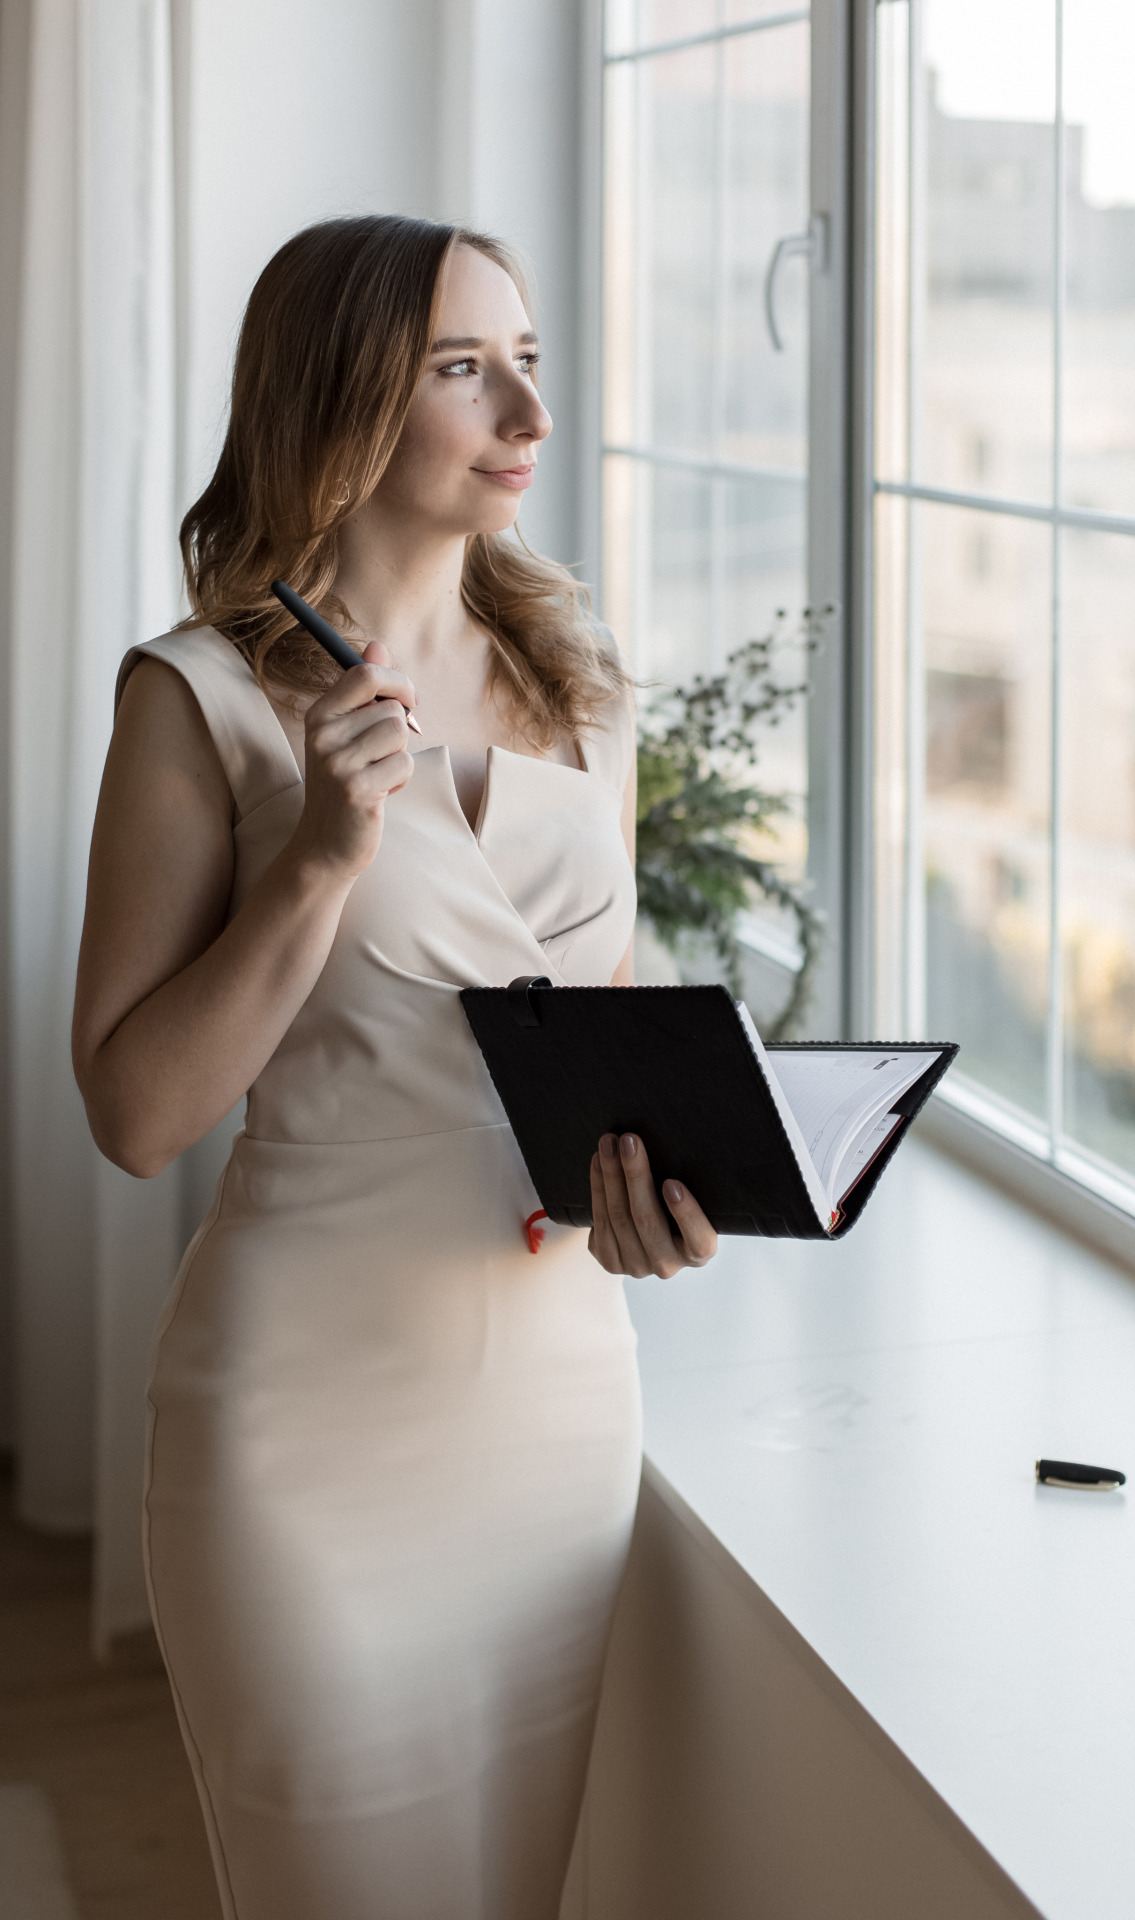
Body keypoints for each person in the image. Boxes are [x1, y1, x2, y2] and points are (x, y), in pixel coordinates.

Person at [72, 214, 718, 1920]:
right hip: (306, 1430)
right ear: (346, 398)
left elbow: (605, 1037)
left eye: (527, 362)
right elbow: (136, 1116)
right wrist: (319, 858)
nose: (528, 409)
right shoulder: (200, 697)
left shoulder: (579, 684)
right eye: (464, 369)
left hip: (559, 1419)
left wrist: (655, 1197)